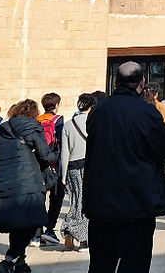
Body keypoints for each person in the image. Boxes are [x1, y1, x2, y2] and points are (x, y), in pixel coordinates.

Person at [84, 62, 165, 273]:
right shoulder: (146, 112)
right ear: (142, 83)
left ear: (116, 82)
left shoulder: (98, 111)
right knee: (135, 263)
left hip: (101, 202)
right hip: (137, 202)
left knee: (101, 264)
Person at [0, 99, 58, 273]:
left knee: (18, 223)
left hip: (3, 181)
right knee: (32, 222)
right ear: (33, 113)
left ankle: (20, 262)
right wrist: (57, 153)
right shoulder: (32, 127)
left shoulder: (3, 128)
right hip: (27, 181)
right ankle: (10, 260)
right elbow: (46, 155)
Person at [60, 93, 95, 251]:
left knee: (75, 200)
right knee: (87, 201)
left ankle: (69, 227)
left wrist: (63, 174)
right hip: (89, 165)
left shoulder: (68, 124)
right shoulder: (93, 122)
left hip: (73, 166)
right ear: (91, 106)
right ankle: (83, 238)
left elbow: (64, 152)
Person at [34, 93, 64, 247]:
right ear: (57, 105)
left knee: (40, 198)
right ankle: (50, 230)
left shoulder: (37, 120)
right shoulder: (58, 120)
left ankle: (37, 232)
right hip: (54, 164)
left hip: (39, 164)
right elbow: (61, 142)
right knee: (57, 196)